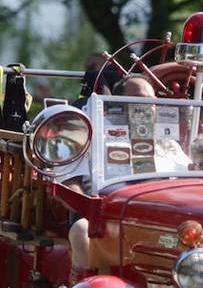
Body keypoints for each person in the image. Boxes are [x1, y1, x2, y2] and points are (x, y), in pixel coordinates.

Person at [67, 74, 187, 274]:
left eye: (153, 101)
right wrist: (89, 209)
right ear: (117, 103)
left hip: (160, 217)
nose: (148, 105)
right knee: (81, 229)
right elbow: (70, 180)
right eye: (140, 98)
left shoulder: (168, 144)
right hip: (106, 216)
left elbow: (194, 179)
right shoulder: (94, 136)